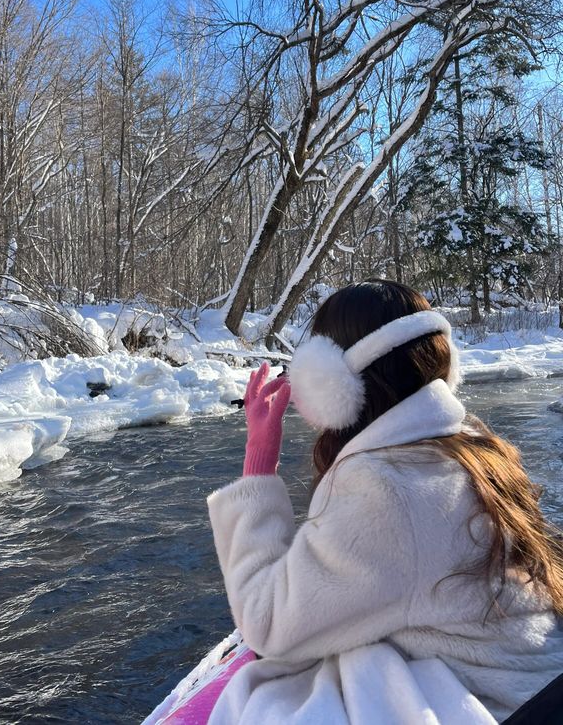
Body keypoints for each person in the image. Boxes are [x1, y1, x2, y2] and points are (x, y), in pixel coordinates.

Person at [206, 280, 563, 724]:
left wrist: (258, 463)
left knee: (269, 699)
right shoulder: (471, 447)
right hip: (534, 686)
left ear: (329, 382)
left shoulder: (387, 489)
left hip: (504, 707)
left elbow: (267, 625)